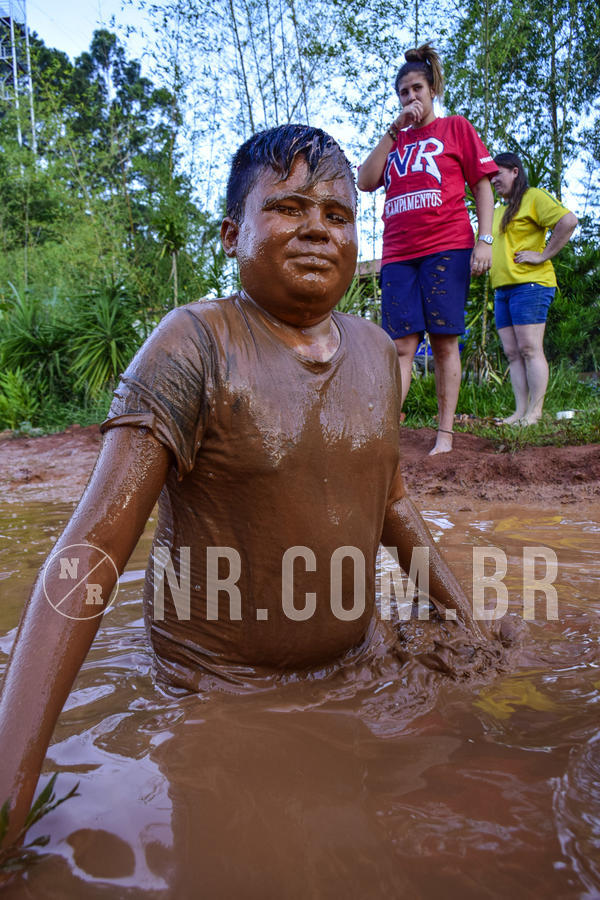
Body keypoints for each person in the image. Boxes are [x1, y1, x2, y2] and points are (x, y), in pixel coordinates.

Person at [0, 124, 485, 850]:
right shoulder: (192, 342)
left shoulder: (378, 352)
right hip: (212, 689)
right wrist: (10, 790)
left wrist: (466, 626)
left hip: (358, 664)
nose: (318, 228)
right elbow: (92, 549)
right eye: (288, 208)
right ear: (232, 234)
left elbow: (389, 503)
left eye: (338, 214)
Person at [357, 43, 497, 455]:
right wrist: (392, 130)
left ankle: (445, 435)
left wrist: (484, 240)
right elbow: (366, 180)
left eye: (417, 88)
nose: (411, 97)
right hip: (398, 253)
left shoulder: (456, 128)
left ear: (432, 88)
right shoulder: (395, 140)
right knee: (400, 345)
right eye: (404, 92)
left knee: (443, 341)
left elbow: (482, 185)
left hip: (447, 247)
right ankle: (384, 436)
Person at [490, 152, 578, 424]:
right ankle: (520, 412)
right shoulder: (497, 212)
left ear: (515, 171)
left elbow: (568, 221)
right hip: (502, 289)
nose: (494, 180)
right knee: (513, 353)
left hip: (530, 285)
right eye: (491, 176)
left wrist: (542, 255)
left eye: (498, 173)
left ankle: (535, 413)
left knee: (529, 348)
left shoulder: (533, 197)